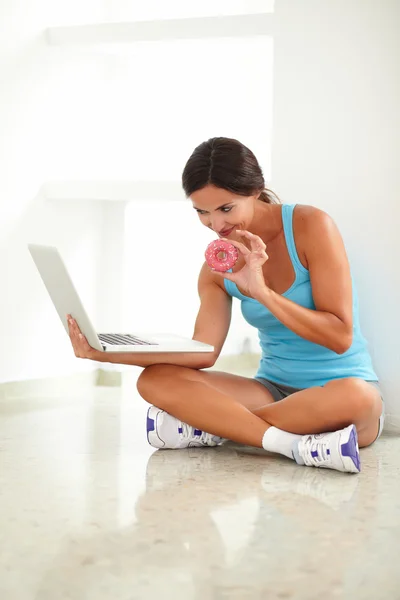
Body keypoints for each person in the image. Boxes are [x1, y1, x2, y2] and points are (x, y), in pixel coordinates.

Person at [67, 137, 384, 474]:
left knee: (359, 397)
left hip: (338, 391)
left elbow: (339, 336)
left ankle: (216, 428)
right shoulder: (217, 269)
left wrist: (262, 293)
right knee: (154, 380)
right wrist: (103, 353)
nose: (216, 226)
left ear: (255, 189)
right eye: (202, 212)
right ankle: (290, 443)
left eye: (226, 209)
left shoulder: (310, 226)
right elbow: (203, 353)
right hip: (271, 393)